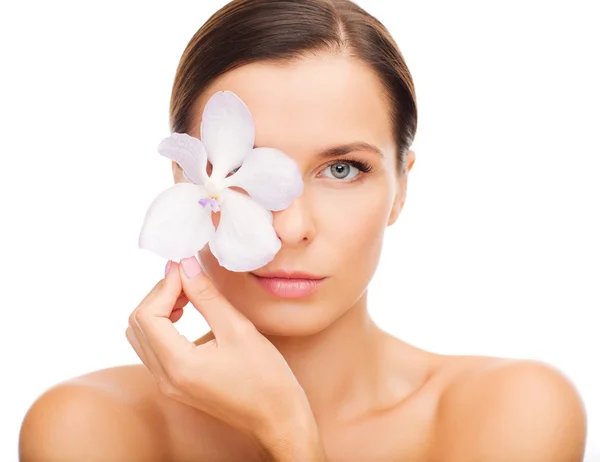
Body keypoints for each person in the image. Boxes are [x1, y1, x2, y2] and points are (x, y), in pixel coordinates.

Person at [18, 0, 587, 461]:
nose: (290, 227)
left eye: (342, 170)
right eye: (248, 172)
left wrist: (287, 428)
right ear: (186, 180)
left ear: (402, 188)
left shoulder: (513, 413)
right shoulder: (90, 428)